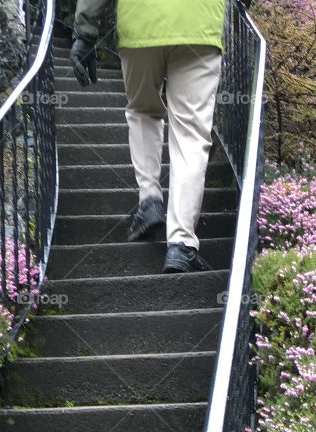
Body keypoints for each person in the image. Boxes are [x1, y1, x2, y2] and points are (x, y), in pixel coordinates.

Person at [70, 0, 227, 273]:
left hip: (140, 22)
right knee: (191, 133)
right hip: (200, 22)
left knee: (143, 111)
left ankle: (150, 201)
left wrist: (85, 33)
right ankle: (181, 245)